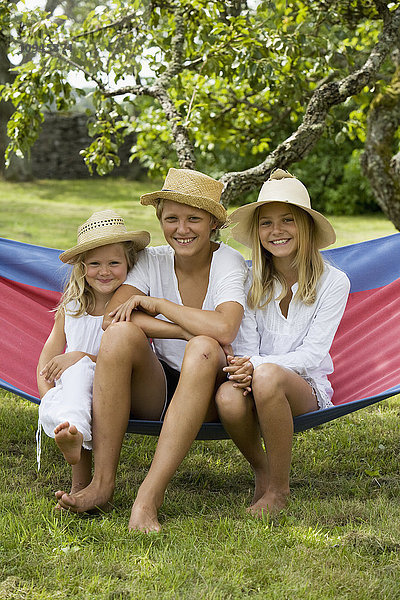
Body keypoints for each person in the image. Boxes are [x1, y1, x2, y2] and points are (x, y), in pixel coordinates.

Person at [55, 168, 251, 532]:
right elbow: (112, 320)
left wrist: (158, 304)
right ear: (160, 219)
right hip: (160, 385)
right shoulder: (152, 260)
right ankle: (102, 484)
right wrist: (183, 330)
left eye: (194, 218)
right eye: (171, 218)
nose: (182, 229)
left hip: (215, 384)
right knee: (120, 335)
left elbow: (225, 328)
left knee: (206, 347)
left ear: (213, 224)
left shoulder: (228, 262)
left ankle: (148, 498)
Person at [216, 169, 350, 517]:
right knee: (226, 399)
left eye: (287, 220)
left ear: (306, 225)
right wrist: (247, 367)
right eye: (266, 223)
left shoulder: (334, 283)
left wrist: (257, 367)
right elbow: (245, 344)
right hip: (255, 376)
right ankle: (263, 472)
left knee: (269, 376)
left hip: (303, 386)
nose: (276, 231)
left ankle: (279, 491)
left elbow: (312, 355)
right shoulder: (250, 281)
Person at [37, 210, 150, 496]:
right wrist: (48, 393)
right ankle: (73, 447)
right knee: (74, 394)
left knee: (79, 375)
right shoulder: (72, 307)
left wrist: (82, 358)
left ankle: (79, 477)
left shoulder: (131, 306)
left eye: (114, 263)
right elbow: (48, 358)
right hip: (76, 392)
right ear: (82, 267)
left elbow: (136, 360)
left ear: (129, 263)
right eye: (95, 263)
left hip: (125, 391)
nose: (104, 271)